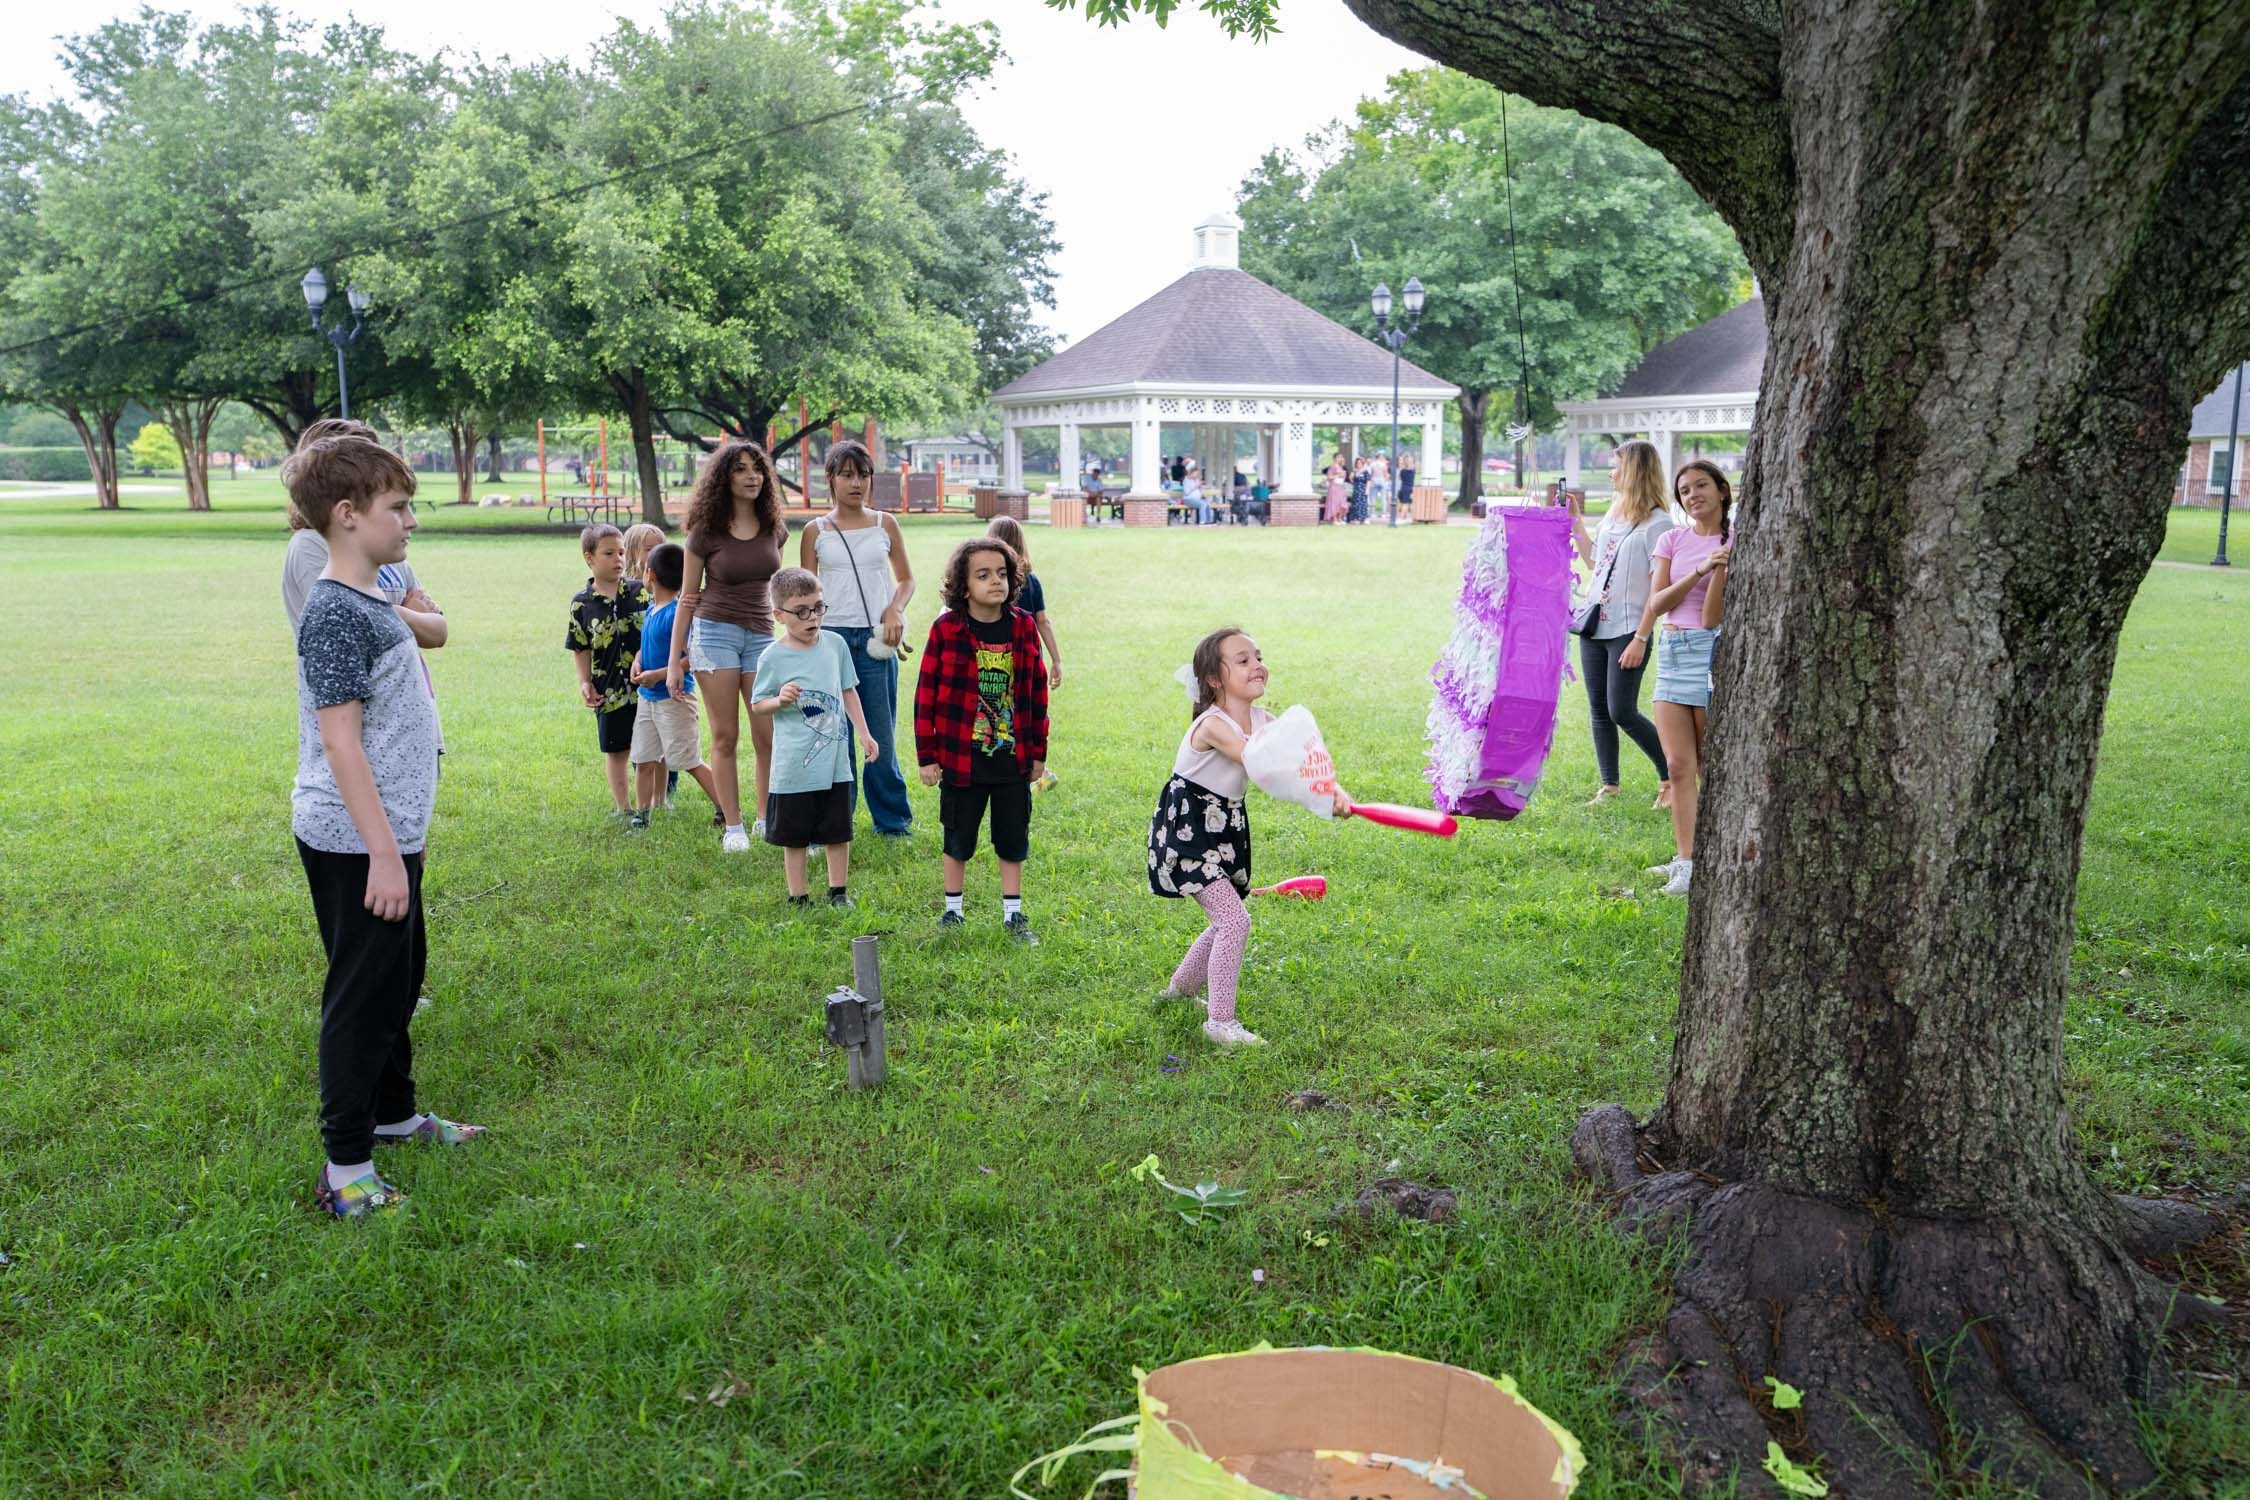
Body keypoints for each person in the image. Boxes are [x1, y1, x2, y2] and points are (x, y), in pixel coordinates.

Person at [286, 433, 482, 1220]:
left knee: (399, 980)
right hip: (352, 842)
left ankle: (396, 1114)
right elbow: (340, 743)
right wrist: (383, 858)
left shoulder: (375, 597)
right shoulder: (335, 611)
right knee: (362, 996)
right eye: (398, 507)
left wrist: (403, 841)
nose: (410, 521)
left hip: (389, 836)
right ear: (347, 515)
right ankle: (345, 1169)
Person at [1150, 628, 1352, 1046]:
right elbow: (1258, 759)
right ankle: (1220, 1023)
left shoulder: (1263, 720)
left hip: (1224, 827)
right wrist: (1311, 789)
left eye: (1258, 656)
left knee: (1225, 920)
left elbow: (1298, 762)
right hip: (1189, 829)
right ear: (1213, 679)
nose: (1257, 665)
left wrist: (1333, 792)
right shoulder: (1212, 725)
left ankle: (1180, 992)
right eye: (1242, 660)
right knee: (1234, 920)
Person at [915, 537, 1049, 942]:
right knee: (957, 835)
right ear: (963, 584)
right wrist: (927, 755)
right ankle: (952, 911)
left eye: (1002, 574)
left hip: (1012, 757)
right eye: (983, 575)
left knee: (1012, 836)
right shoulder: (946, 629)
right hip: (960, 758)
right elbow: (925, 694)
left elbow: (1037, 691)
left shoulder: (1024, 626)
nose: (995, 581)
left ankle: (1014, 914)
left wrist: (1039, 753)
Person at [668, 441, 787, 851]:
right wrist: (673, 662)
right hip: (714, 633)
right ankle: (734, 827)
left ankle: (765, 819)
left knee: (766, 734)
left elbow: (777, 588)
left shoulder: (775, 525)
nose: (752, 476)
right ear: (725, 478)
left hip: (762, 636)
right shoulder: (705, 533)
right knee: (725, 735)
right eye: (740, 469)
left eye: (757, 469)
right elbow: (686, 598)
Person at [1625, 459, 1732, 896]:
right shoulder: (1672, 539)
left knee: (1709, 765)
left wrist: (1722, 565)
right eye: (1685, 490)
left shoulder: (1736, 540)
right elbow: (1657, 603)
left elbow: (1710, 618)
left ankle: (1713, 857)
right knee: (1677, 765)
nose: (1693, 495)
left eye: (1702, 485)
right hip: (1671, 652)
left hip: (1709, 653)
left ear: (1722, 490)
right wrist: (1702, 568)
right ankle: (1686, 862)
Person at [801, 439, 916, 838]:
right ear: (830, 479)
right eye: (847, 475)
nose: (856, 483)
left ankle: (893, 822)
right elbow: (806, 593)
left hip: (874, 640)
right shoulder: (815, 530)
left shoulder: (885, 523)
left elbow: (906, 579)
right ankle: (834, 821)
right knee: (834, 734)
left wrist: (894, 609)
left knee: (879, 733)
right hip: (829, 639)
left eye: (863, 475)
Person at [750, 568, 878, 907]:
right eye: (802, 611)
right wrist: (779, 700)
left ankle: (838, 892)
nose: (813, 617)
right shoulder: (773, 657)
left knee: (838, 830)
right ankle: (799, 896)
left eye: (819, 607)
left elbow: (848, 691)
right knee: (795, 836)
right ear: (779, 615)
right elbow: (758, 703)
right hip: (794, 767)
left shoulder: (835, 645)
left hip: (835, 763)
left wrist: (864, 733)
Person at [1569, 440, 1676, 808]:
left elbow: (1658, 590)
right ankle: (1609, 786)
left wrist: (1641, 639)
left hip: (1630, 629)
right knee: (1599, 709)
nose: (1611, 473)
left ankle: (1671, 778)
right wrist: (1576, 523)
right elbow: (1594, 562)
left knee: (1622, 710)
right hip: (1595, 624)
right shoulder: (1614, 512)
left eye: (1616, 467)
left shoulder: (1659, 523)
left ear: (1634, 470)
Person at [626, 543, 723, 831]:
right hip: (648, 699)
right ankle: (641, 816)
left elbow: (690, 657)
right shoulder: (651, 611)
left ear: (649, 574)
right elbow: (648, 646)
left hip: (674, 699)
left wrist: (658, 674)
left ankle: (724, 807)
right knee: (643, 759)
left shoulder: (675, 615)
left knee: (688, 760)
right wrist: (638, 660)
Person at [565, 523, 650, 818]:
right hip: (609, 690)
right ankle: (623, 807)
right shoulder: (581, 604)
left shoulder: (641, 593)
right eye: (609, 553)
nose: (619, 559)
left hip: (647, 687)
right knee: (617, 751)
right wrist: (585, 682)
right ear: (589, 558)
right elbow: (580, 646)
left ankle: (652, 804)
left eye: (622, 552)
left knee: (650, 750)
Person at [987, 516, 1063, 693]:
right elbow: (1043, 622)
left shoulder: (987, 583)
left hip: (994, 657)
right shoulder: (1030, 580)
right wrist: (1056, 660)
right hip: (1028, 655)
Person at [1324, 454, 1349, 524]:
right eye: (1338, 457)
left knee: (1342, 503)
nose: (1340, 458)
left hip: (1341, 487)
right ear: (1334, 458)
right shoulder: (1332, 467)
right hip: (1334, 487)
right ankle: (1334, 519)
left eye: (1341, 457)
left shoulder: (1341, 467)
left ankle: (1340, 518)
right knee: (1334, 503)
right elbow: (1329, 477)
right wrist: (1338, 475)